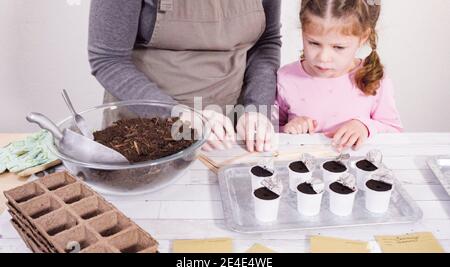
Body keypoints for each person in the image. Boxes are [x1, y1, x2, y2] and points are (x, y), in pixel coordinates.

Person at [88, 0, 281, 153]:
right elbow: (108, 59)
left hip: (228, 128)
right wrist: (176, 115)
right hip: (146, 129)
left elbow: (266, 42)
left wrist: (257, 107)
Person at [276, 0, 403, 152]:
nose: (323, 57)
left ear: (363, 37)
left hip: (354, 170)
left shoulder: (375, 80)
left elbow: (394, 132)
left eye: (338, 47)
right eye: (314, 43)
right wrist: (287, 129)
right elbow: (267, 131)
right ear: (303, 31)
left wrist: (364, 127)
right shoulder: (286, 78)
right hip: (301, 171)